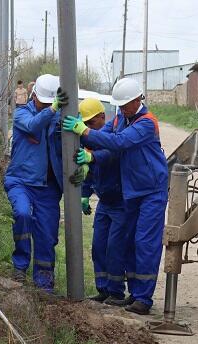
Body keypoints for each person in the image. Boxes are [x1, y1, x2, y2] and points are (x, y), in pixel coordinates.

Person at [63, 78, 168, 315]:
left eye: (124, 105)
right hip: (132, 191)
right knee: (130, 242)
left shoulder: (146, 123)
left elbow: (119, 142)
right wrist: (84, 141)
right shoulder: (122, 118)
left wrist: (85, 130)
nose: (120, 109)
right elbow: (105, 140)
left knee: (144, 243)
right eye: (118, 106)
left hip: (151, 191)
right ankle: (133, 295)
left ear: (137, 100)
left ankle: (143, 298)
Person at [4, 74, 68, 292]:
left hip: (48, 188)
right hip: (21, 181)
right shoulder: (23, 113)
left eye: (51, 104)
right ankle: (19, 267)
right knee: (22, 214)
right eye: (44, 102)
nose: (47, 106)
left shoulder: (58, 117)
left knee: (47, 234)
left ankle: (43, 284)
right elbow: (32, 126)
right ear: (34, 96)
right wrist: (52, 111)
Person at [76, 98, 128, 304]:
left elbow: (108, 155)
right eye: (85, 124)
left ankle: (116, 291)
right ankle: (103, 289)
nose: (88, 127)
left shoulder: (111, 134)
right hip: (105, 202)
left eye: (91, 123)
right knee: (98, 245)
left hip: (120, 202)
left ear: (102, 117)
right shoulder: (89, 139)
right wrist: (84, 193)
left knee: (114, 247)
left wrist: (92, 157)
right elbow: (90, 171)